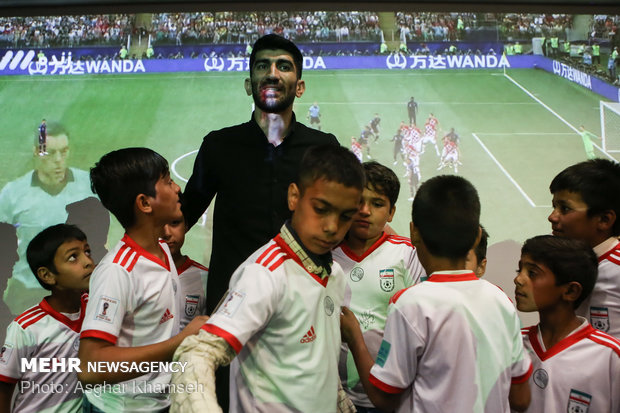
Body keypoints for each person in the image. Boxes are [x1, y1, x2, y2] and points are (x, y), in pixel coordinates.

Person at [171, 145, 365, 412]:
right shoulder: (264, 275)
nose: (332, 227)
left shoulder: (334, 275)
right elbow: (197, 353)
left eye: (345, 217)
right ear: (294, 196)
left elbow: (320, 366)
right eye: (321, 209)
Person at [341, 175, 532, 413]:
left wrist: (355, 338)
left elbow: (383, 398)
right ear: (476, 237)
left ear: (414, 233)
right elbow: (521, 399)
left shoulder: (410, 304)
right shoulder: (501, 299)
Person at [182, 34, 339, 317]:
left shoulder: (323, 147)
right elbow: (184, 217)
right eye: (262, 66)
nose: (272, 74)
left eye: (284, 66)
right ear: (248, 84)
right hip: (231, 305)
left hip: (302, 304)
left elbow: (342, 217)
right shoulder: (219, 145)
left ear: (300, 87)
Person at [78, 148, 208, 412]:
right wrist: (181, 342)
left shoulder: (160, 250)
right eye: (167, 181)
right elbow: (90, 367)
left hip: (158, 403)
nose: (177, 188)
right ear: (145, 203)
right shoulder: (118, 271)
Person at [333, 161, 425, 412]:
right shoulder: (325, 255)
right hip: (331, 394)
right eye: (359, 201)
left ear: (391, 212)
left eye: (377, 203)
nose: (364, 210)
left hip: (392, 398)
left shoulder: (407, 255)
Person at [0, 121, 108, 316]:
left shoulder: (89, 186)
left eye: (64, 151)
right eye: (50, 153)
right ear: (36, 152)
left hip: (81, 289)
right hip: (28, 292)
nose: (59, 159)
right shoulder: (12, 195)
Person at [514, 235, 620, 412]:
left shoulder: (610, 356)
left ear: (571, 290)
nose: (518, 279)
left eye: (532, 273)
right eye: (519, 271)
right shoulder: (514, 344)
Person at [0, 224, 93, 413]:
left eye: (87, 252)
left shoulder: (98, 308)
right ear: (47, 275)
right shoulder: (26, 328)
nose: (88, 262)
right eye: (73, 257)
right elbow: (3, 387)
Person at [548, 159, 620, 339]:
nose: (552, 217)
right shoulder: (571, 262)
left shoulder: (616, 269)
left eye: (564, 209)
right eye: (554, 206)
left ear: (604, 220)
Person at [162, 216, 208, 329]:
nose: (167, 233)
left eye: (174, 223)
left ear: (186, 226)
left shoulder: (205, 278)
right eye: (159, 224)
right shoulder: (133, 272)